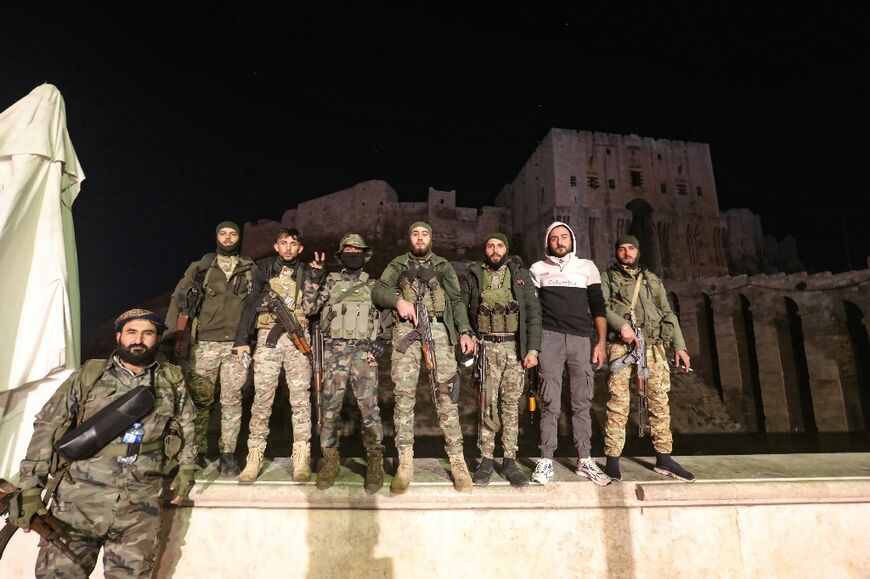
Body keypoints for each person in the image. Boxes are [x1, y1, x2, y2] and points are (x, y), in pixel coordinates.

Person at [10, 308, 197, 578]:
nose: (139, 339)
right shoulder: (90, 376)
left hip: (140, 506)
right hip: (77, 504)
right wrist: (30, 490)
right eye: (131, 332)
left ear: (157, 339)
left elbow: (187, 424)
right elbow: (47, 426)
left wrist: (186, 469)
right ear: (119, 336)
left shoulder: (171, 380)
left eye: (148, 333)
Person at [372, 221, 477, 493]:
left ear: (431, 238)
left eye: (424, 234)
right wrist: (399, 302)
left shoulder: (443, 266)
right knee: (403, 397)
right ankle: (405, 462)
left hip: (439, 330)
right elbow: (378, 290)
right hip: (405, 330)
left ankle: (457, 461)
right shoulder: (397, 264)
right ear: (410, 238)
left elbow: (456, 302)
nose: (420, 238)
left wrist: (465, 331)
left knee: (446, 396)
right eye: (415, 234)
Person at [163, 220, 256, 478]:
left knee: (232, 401)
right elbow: (178, 301)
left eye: (232, 234)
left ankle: (227, 454)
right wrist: (171, 337)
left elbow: (256, 305)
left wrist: (249, 340)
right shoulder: (201, 267)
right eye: (223, 234)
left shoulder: (249, 268)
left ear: (239, 238)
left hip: (236, 347)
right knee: (200, 401)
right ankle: (197, 451)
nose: (227, 238)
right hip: (204, 344)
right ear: (217, 237)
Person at [232, 227, 325, 484]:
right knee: (262, 399)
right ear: (276, 246)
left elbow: (313, 310)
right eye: (283, 243)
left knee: (301, 401)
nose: (287, 248)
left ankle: (301, 458)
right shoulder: (263, 269)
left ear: (300, 248)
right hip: (267, 339)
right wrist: (242, 340)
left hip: (298, 341)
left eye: (293, 244)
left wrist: (316, 278)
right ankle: (254, 457)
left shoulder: (307, 271)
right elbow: (251, 303)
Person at [600, 235, 695, 482]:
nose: (626, 252)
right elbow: (600, 306)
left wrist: (680, 347)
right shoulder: (609, 277)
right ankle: (612, 461)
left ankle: (664, 459)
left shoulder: (652, 280)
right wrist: (621, 325)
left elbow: (667, 313)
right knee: (618, 403)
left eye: (631, 248)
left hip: (653, 346)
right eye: (621, 249)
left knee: (659, 402)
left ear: (638, 251)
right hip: (622, 346)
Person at [529, 221, 611, 486]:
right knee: (549, 401)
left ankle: (585, 459)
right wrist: (532, 346)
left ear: (572, 240)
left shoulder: (587, 267)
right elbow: (533, 312)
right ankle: (545, 459)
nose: (559, 242)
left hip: (580, 340)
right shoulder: (537, 270)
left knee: (582, 402)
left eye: (564, 237)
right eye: (554, 238)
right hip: (549, 339)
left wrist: (600, 343)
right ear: (548, 243)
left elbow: (598, 306)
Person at [302, 233, 385, 493]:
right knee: (329, 409)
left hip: (364, 354)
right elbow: (309, 308)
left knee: (370, 411)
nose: (352, 253)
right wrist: (314, 280)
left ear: (364, 255)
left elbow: (387, 317)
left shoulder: (374, 285)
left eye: (357, 250)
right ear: (341, 255)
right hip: (334, 352)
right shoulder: (331, 282)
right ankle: (329, 460)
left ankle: (375, 461)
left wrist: (381, 342)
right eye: (348, 250)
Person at [461, 233, 541, 487]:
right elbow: (463, 308)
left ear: (506, 248)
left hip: (513, 348)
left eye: (499, 245)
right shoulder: (475, 275)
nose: (495, 250)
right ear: (485, 250)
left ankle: (509, 459)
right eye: (490, 246)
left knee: (509, 406)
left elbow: (533, 313)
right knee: (486, 405)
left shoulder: (520, 274)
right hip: (485, 347)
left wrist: (533, 349)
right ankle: (485, 459)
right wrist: (469, 335)